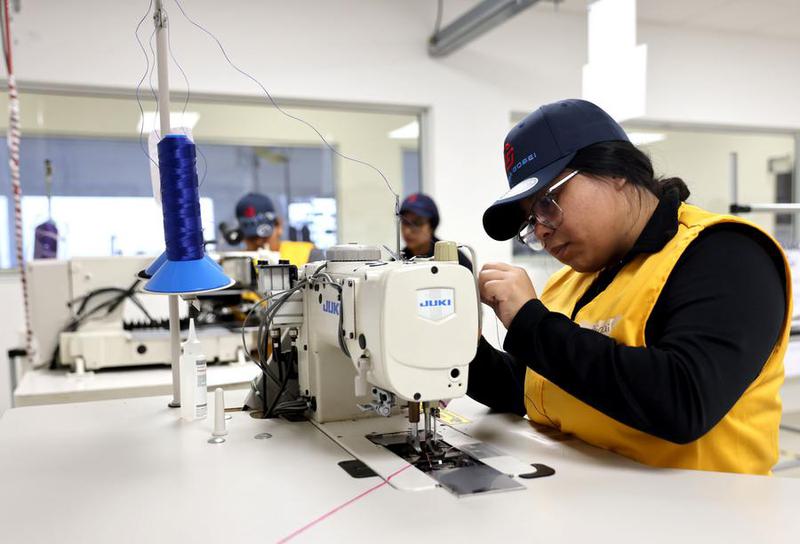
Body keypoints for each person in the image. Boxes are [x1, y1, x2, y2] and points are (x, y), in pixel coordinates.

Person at [470, 98, 790, 475]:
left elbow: (684, 401)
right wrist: (462, 349)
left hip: (703, 508)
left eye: (547, 203)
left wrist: (531, 323)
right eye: (530, 221)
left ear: (616, 170)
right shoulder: (571, 281)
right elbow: (530, 388)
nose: (540, 230)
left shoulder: (726, 254)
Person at [228, 192, 317, 265]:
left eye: (264, 236)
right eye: (252, 237)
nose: (258, 242)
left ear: (278, 226)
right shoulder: (237, 264)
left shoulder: (307, 254)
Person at [400, 193, 472, 270]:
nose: (407, 231)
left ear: (432, 226)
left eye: (417, 223)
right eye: (404, 222)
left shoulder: (455, 260)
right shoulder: (398, 261)